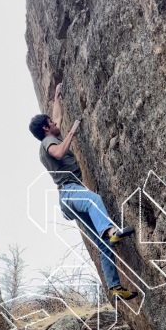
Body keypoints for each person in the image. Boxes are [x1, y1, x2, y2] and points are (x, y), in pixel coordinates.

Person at [29, 83, 138, 301]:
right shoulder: (49, 142)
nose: (55, 123)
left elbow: (57, 117)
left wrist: (57, 97)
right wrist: (72, 132)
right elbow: (59, 153)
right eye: (50, 123)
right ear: (45, 129)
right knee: (94, 200)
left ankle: (115, 286)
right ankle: (111, 231)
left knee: (101, 244)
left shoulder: (51, 134)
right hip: (70, 192)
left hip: (69, 198)